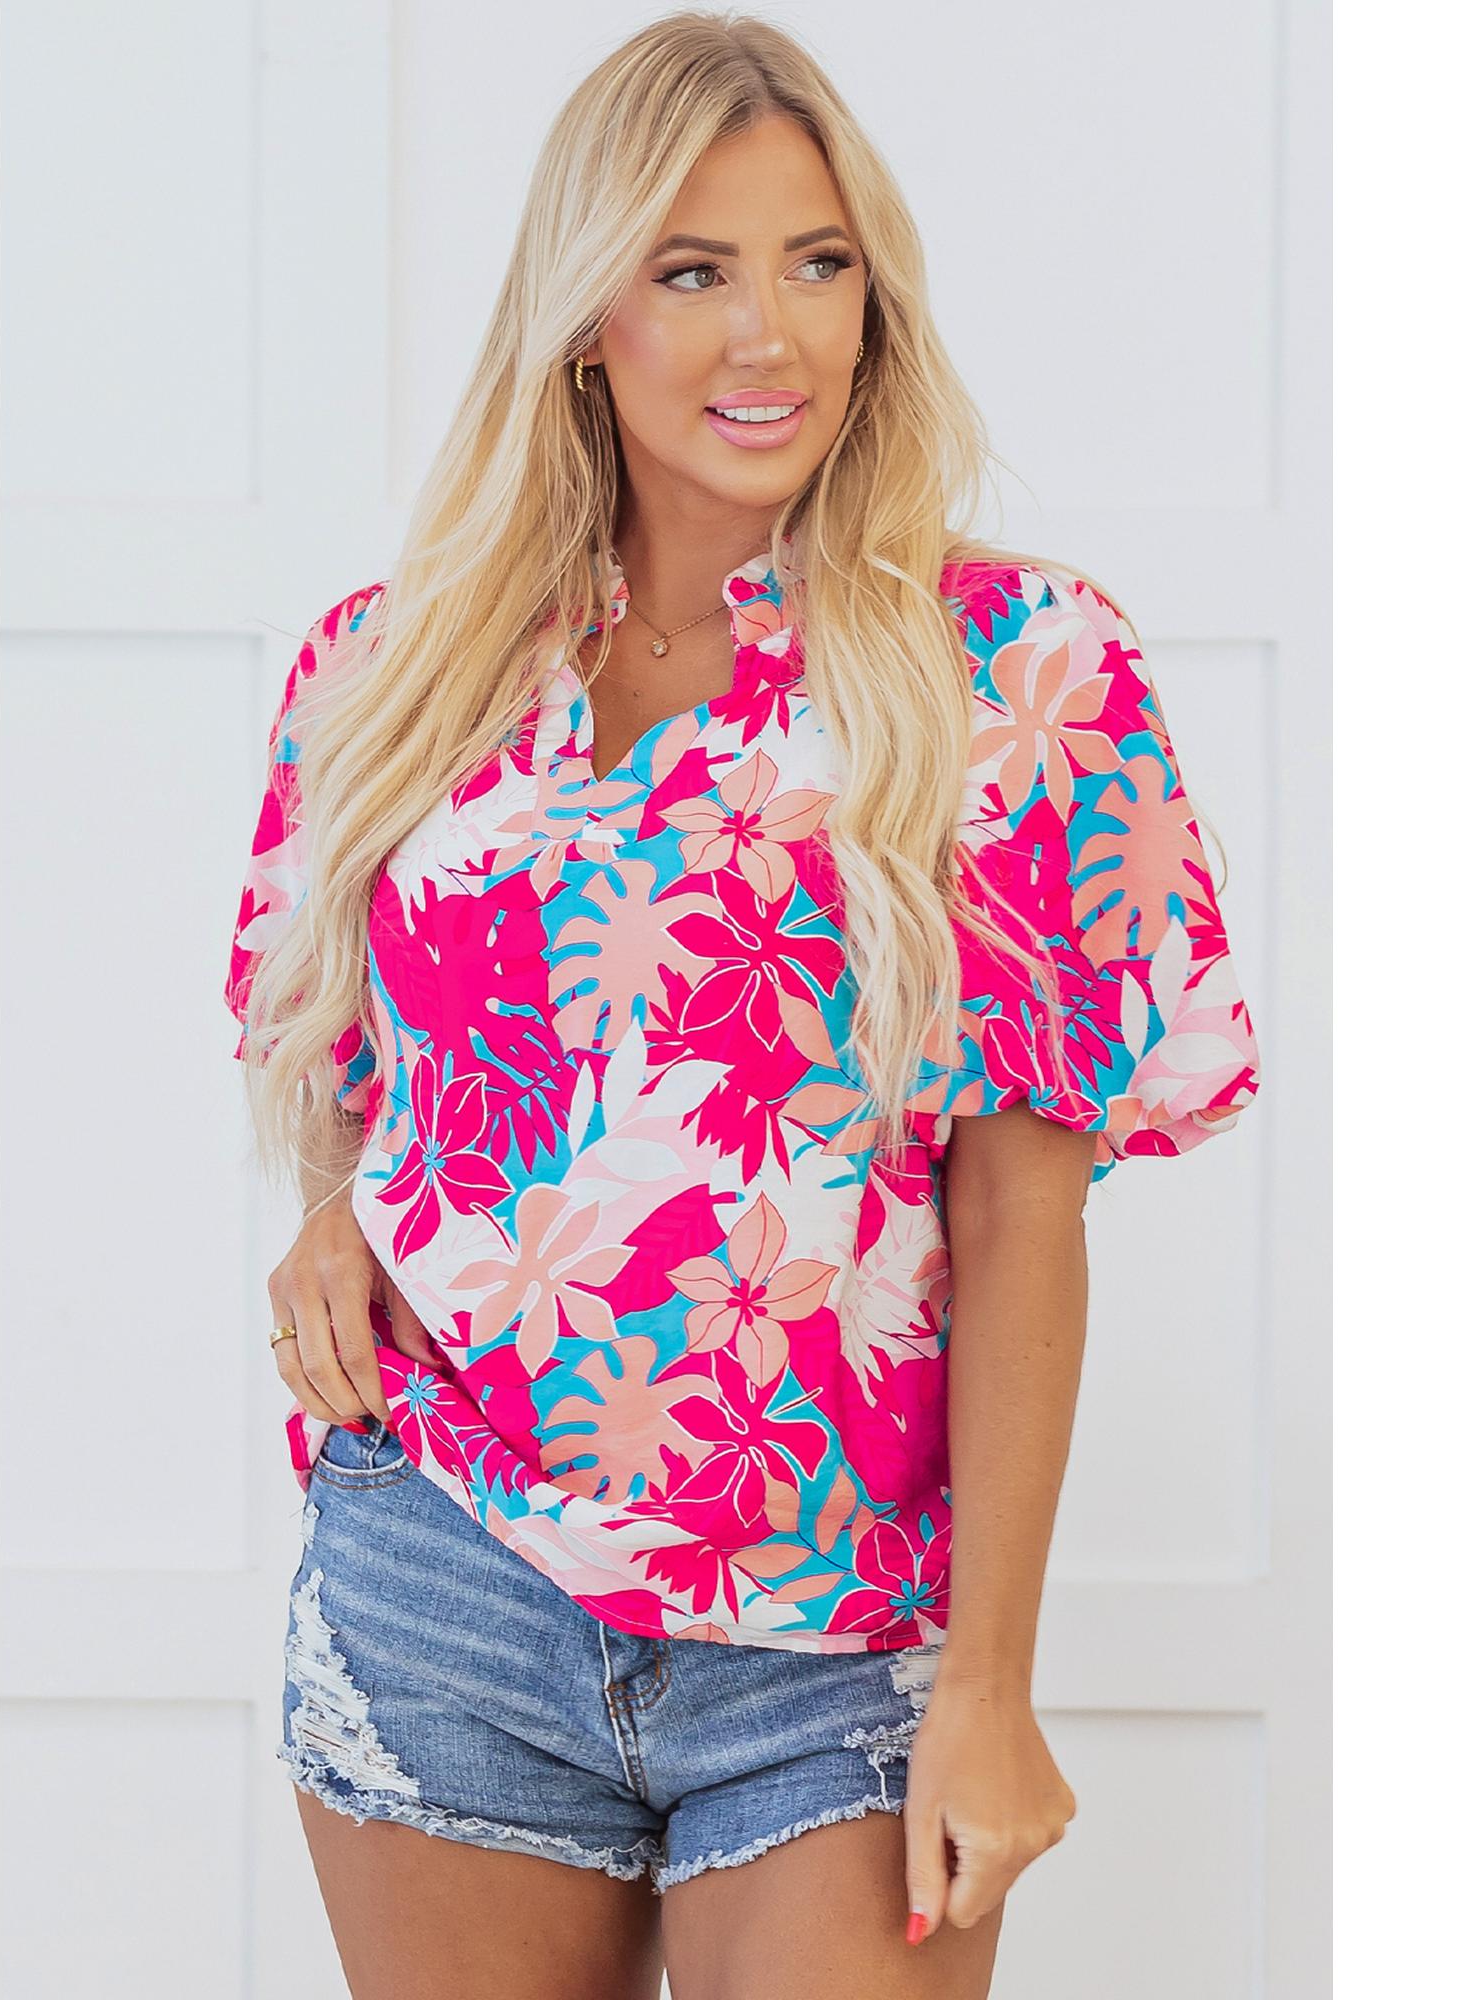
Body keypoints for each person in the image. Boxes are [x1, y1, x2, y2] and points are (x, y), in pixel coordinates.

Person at [223, 13, 1262, 1999]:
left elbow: (1018, 1204)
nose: (767, 334)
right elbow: (352, 1041)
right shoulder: (396, 666)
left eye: (817, 262)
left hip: (837, 1638)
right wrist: (336, 1204)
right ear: (584, 318)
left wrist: (989, 1684)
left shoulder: (1018, 672)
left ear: (876, 295)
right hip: (443, 1577)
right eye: (691, 270)